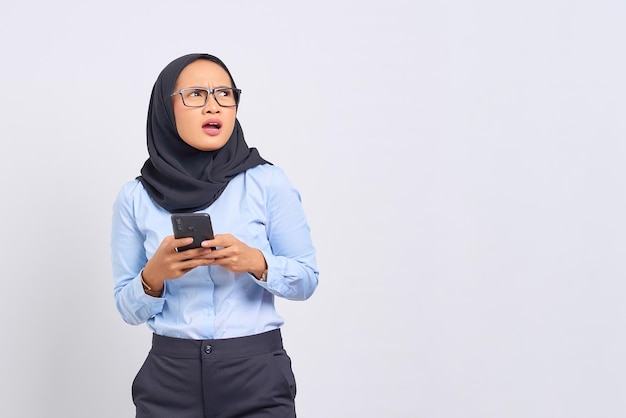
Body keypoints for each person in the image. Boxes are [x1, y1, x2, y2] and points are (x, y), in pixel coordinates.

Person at [110, 53, 319, 418]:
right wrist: (153, 277)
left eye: (224, 93)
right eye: (196, 94)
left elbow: (307, 279)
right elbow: (127, 309)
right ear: (165, 108)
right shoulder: (135, 197)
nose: (214, 106)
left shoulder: (267, 182)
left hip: (255, 372)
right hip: (169, 376)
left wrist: (257, 262)